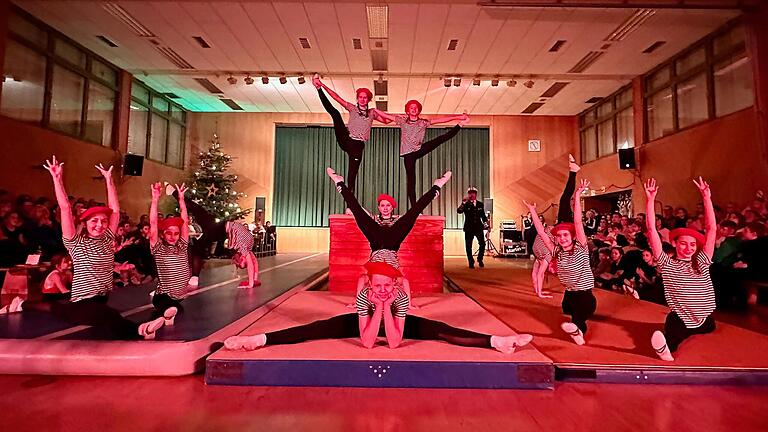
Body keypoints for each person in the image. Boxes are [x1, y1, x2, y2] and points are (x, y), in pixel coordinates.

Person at [2, 156, 165, 339]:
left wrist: (109, 180)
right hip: (82, 302)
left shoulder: (106, 239)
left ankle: (21, 304)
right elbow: (64, 208)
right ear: (85, 224)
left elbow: (115, 210)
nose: (100, 224)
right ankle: (140, 331)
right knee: (107, 316)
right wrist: (57, 179)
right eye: (94, 221)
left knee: (57, 308)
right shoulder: (75, 243)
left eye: (103, 221)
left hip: (100, 298)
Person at [223, 261, 533, 354]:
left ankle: (499, 343)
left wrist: (387, 307)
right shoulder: (365, 296)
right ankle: (257, 341)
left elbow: (395, 341)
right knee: (313, 329)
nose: (382, 290)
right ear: (370, 285)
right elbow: (369, 341)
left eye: (388, 286)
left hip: (396, 320)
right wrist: (375, 307)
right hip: (361, 321)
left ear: (395, 287)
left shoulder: (397, 297)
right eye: (378, 286)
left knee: (443, 331)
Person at [644, 177, 717, 361]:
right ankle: (665, 348)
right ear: (675, 243)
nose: (688, 248)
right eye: (683, 243)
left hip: (703, 321)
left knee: (710, 326)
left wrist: (706, 198)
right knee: (675, 329)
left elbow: (711, 229)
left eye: (692, 244)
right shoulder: (668, 264)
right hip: (681, 319)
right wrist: (651, 200)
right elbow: (652, 231)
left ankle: (677, 337)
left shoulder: (702, 261)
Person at [524, 179, 596, 346]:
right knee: (567, 308)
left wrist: (577, 196)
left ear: (572, 237)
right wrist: (532, 211)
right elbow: (542, 232)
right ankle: (573, 319)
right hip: (570, 293)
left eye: (565, 235)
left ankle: (579, 332)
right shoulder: (557, 251)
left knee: (578, 316)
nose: (562, 238)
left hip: (585, 295)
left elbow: (577, 222)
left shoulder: (581, 247)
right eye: (559, 236)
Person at [374, 102, 468, 208]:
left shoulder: (423, 122)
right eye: (411, 108)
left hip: (419, 150)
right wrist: (375, 110)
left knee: (440, 139)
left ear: (418, 111)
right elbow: (387, 116)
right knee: (411, 180)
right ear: (407, 111)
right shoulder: (402, 121)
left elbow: (441, 119)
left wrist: (459, 117)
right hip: (408, 155)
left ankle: (460, 125)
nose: (413, 109)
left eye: (415, 108)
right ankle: (414, 207)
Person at [166, 185, 261, 288]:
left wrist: (252, 282)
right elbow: (253, 264)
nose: (236, 261)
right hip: (219, 230)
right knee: (199, 239)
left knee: (198, 211)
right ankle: (194, 277)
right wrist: (253, 282)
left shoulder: (244, 246)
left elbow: (252, 263)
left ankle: (173, 192)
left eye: (237, 263)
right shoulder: (247, 248)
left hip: (219, 230)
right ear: (243, 257)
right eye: (240, 262)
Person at [312, 74, 389, 193]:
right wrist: (322, 86)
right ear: (357, 98)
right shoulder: (352, 108)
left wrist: (404, 118)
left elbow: (386, 121)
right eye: (360, 97)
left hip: (357, 146)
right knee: (336, 114)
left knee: (352, 176)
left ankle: (349, 205)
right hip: (346, 139)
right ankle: (318, 90)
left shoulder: (371, 113)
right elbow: (336, 97)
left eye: (365, 97)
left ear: (368, 100)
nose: (363, 99)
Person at [149, 182, 191, 325]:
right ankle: (165, 313)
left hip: (179, 297)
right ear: (162, 234)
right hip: (163, 295)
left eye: (176, 233)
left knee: (175, 308)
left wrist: (181, 200)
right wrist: (155, 199)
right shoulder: (158, 248)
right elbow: (153, 224)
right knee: (166, 304)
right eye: (168, 233)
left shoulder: (182, 245)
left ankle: (168, 313)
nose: (173, 236)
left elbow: (184, 222)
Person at [457, 186, 488, 269]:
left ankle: (480, 259)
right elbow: (459, 211)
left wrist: (486, 224)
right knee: (468, 246)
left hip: (478, 227)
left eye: (473, 193)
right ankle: (471, 261)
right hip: (469, 228)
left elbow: (483, 216)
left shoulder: (480, 204)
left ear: (476, 194)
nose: (471, 195)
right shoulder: (466, 204)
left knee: (482, 244)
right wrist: (463, 203)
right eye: (470, 193)